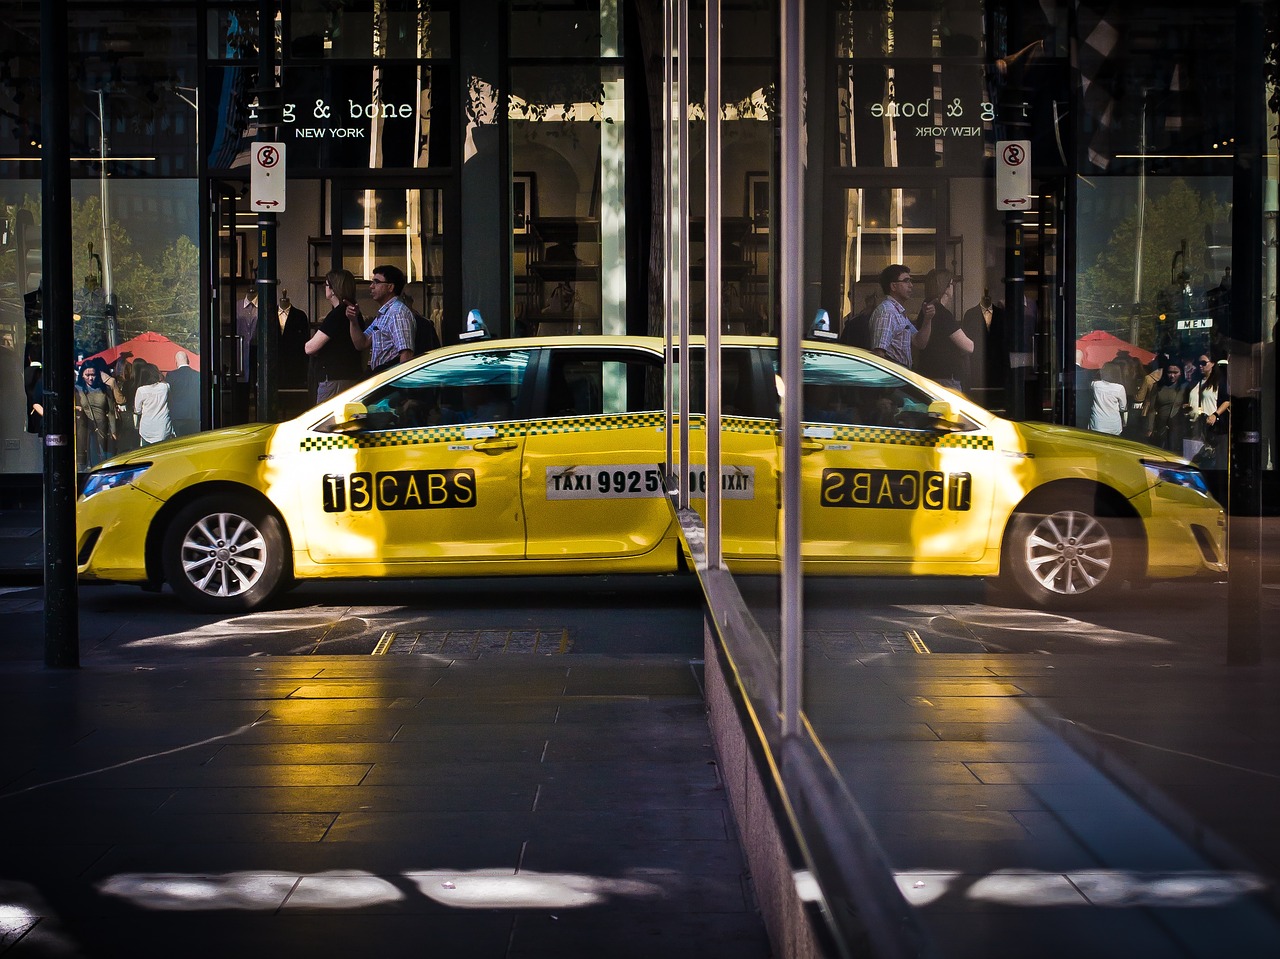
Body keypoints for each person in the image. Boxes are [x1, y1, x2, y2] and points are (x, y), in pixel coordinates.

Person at [305, 269, 365, 402]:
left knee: (324, 420)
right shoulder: (354, 312)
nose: (324, 288)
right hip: (351, 375)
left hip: (334, 378)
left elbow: (310, 348)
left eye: (326, 285)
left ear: (333, 289)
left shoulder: (337, 314)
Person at [348, 264, 415, 374]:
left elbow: (406, 354)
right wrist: (353, 320)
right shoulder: (384, 314)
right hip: (382, 377)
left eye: (376, 282)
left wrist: (401, 386)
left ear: (390, 287)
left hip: (391, 379)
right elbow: (361, 343)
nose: (371, 286)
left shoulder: (397, 313)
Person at [913, 268, 971, 390]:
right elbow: (968, 346)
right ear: (946, 287)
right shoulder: (942, 313)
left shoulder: (927, 308)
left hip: (929, 374)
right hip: (945, 379)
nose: (953, 287)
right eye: (952, 284)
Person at [867, 264, 932, 368]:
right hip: (892, 378)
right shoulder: (887, 312)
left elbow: (919, 342)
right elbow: (878, 354)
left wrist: (928, 319)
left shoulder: (898, 312)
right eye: (906, 281)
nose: (911, 285)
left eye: (911, 281)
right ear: (893, 286)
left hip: (900, 375)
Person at [74, 360, 116, 469]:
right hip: (84, 428)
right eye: (87, 375)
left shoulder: (104, 389)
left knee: (103, 461)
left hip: (102, 428)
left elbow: (111, 411)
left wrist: (114, 430)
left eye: (93, 374)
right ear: (82, 374)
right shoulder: (77, 390)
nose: (90, 378)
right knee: (83, 462)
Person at [1190, 352, 1229, 466]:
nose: (1200, 366)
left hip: (1217, 427)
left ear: (1212, 364)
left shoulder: (1220, 381)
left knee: (1219, 461)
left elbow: (1227, 400)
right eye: (1199, 363)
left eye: (1204, 363)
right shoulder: (1199, 381)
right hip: (1203, 426)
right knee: (1204, 460)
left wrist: (1215, 414)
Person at [1145, 360, 1191, 452]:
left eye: (1175, 372)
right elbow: (1152, 409)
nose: (1172, 375)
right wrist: (1150, 428)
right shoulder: (1158, 386)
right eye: (1169, 372)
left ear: (1181, 372)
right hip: (1160, 427)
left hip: (1177, 427)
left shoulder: (1185, 387)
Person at [132, 361, 175, 446]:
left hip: (147, 428)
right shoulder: (165, 387)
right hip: (163, 427)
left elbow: (137, 410)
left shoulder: (141, 390)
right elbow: (171, 402)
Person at [1088, 360, 1128, 435]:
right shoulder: (1120, 388)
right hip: (1114, 425)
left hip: (1098, 423)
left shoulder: (1095, 385)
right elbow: (1123, 408)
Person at [167, 350, 201, 436]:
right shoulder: (197, 375)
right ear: (188, 360)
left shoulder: (171, 375)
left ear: (176, 361)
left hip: (178, 415)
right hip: (195, 413)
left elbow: (167, 394)